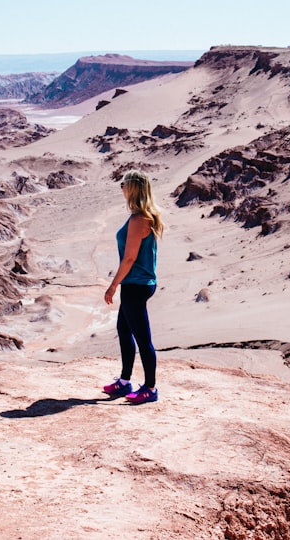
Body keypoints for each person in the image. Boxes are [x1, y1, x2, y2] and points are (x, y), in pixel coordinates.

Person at [103, 169, 164, 404]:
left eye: (124, 184)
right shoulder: (140, 216)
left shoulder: (140, 219)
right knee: (124, 330)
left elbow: (129, 258)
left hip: (136, 284)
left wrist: (112, 286)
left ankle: (150, 388)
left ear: (134, 188)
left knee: (142, 338)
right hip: (136, 283)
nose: (121, 188)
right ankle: (125, 381)